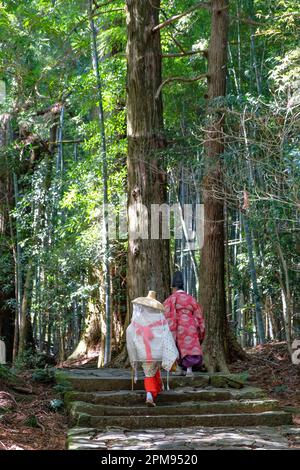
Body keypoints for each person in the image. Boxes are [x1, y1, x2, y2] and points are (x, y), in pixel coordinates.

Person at [126, 291, 178, 407]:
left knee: (149, 371)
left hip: (143, 351)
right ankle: (150, 395)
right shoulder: (160, 319)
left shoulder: (137, 320)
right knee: (151, 372)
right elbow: (166, 334)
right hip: (156, 352)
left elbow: (130, 331)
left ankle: (155, 390)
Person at [163, 272, 205, 377]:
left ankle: (178, 368)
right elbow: (199, 315)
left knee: (177, 345)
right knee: (189, 347)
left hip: (177, 325)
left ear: (173, 288)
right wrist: (199, 328)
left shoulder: (170, 299)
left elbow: (165, 313)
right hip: (191, 325)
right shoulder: (191, 299)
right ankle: (189, 370)